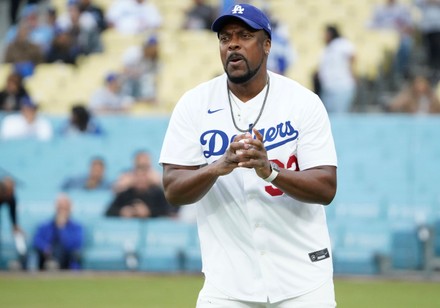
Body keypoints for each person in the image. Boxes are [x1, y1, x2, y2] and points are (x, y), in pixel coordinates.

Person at [159, 4, 338, 307]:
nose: (233, 44)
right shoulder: (193, 105)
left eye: (244, 35)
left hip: (303, 279)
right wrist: (217, 167)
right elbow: (173, 190)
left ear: (267, 44)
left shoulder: (303, 102)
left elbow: (325, 187)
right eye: (225, 37)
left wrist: (270, 171)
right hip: (228, 284)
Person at [32, 194, 83, 270]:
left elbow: (75, 245)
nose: (62, 211)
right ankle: (52, 264)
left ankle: (54, 265)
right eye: (60, 208)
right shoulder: (45, 225)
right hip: (46, 256)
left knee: (61, 249)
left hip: (66, 259)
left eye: (65, 208)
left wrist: (62, 228)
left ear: (70, 209)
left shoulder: (77, 227)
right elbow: (36, 240)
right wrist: (45, 248)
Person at [367, 0, 414, 81]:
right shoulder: (379, 8)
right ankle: (384, 73)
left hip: (399, 36)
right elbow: (372, 24)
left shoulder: (402, 8)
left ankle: (400, 71)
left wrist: (401, 31)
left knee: (406, 44)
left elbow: (409, 25)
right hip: (382, 37)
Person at [317, 24, 356, 113]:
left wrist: (352, 72)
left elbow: (353, 56)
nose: (323, 37)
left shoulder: (342, 43)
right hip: (328, 87)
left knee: (339, 115)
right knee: (328, 116)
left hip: (341, 85)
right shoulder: (327, 48)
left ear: (330, 33)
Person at [105, 166, 171, 219]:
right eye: (138, 176)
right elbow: (108, 211)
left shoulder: (157, 193)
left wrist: (149, 212)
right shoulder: (125, 194)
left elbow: (168, 211)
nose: (140, 179)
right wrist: (122, 212)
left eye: (143, 176)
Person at [121, 35, 160, 103]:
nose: (153, 49)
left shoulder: (153, 59)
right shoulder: (134, 52)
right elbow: (123, 69)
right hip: (130, 79)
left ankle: (148, 99)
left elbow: (155, 75)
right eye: (151, 47)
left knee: (148, 79)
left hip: (141, 82)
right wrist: (135, 73)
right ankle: (127, 99)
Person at [414, 0, 440, 79]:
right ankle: (432, 70)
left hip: (438, 25)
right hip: (427, 25)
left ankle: (437, 69)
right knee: (429, 50)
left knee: (437, 49)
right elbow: (417, 3)